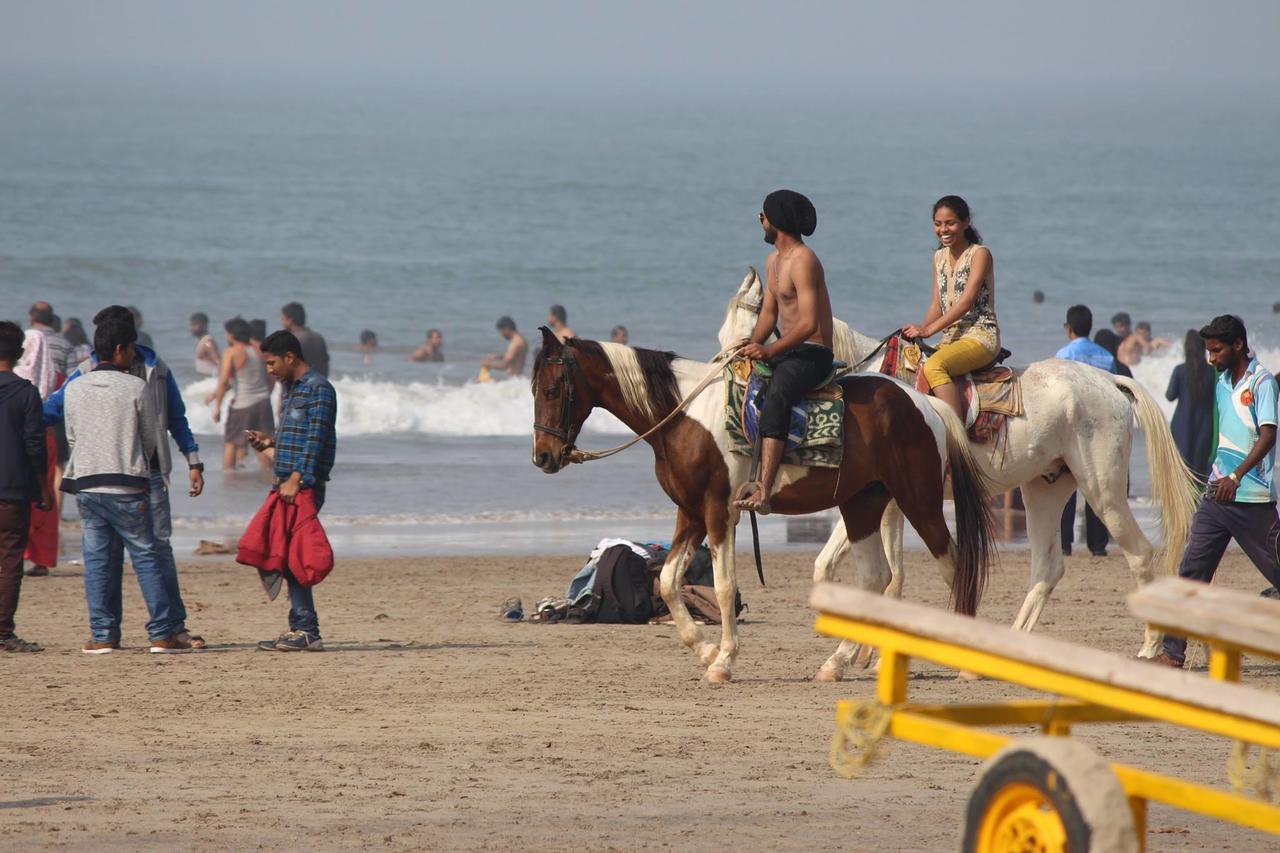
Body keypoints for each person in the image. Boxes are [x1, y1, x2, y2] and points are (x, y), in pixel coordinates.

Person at [45, 305, 206, 648]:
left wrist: (193, 460)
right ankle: (152, 632)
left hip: (141, 474)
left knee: (155, 550)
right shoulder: (85, 372)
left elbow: (175, 417)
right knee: (135, 554)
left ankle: (171, 627)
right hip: (126, 476)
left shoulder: (155, 370)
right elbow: (54, 410)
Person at [1152, 315, 1280, 668]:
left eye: (1217, 350)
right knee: (1192, 570)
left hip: (1250, 498)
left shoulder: (1262, 381)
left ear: (1238, 344)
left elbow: (1268, 435)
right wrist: (1222, 478)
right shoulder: (1224, 381)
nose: (1211, 358)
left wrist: (1236, 477)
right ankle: (1172, 653)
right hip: (1216, 494)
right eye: (1208, 351)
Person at [733, 189, 834, 515]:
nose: (760, 220)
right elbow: (768, 315)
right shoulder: (773, 260)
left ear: (774, 220)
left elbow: (807, 323)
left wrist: (770, 349)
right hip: (787, 350)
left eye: (763, 215)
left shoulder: (804, 260)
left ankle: (764, 488)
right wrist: (750, 344)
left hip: (812, 352)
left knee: (777, 394)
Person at [245, 330, 337, 652]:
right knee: (283, 553)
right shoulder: (290, 389)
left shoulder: (319, 390)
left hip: (303, 485)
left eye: (272, 363)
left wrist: (297, 477)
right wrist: (270, 443)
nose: (269, 369)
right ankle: (303, 628)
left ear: (290, 358)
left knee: (295, 555)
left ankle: (306, 630)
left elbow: (317, 438)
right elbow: (296, 436)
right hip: (285, 484)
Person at [902, 195, 1000, 421]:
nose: (943, 229)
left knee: (934, 367)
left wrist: (928, 331)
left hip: (980, 337)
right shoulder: (939, 257)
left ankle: (954, 436)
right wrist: (918, 331)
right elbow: (937, 304)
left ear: (966, 222)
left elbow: (966, 302)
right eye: (938, 224)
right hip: (950, 340)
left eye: (950, 223)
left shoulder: (979, 254)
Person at [0, 321, 52, 652]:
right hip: (12, 490)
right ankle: (3, 631)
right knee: (9, 560)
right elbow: (35, 445)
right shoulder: (26, 392)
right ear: (20, 354)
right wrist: (44, 487)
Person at [1055, 305, 1120, 557]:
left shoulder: (1063, 354)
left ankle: (1064, 543)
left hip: (1071, 430)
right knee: (1098, 486)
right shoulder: (1106, 357)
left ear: (1069, 329)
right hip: (1100, 428)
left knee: (1066, 487)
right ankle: (1097, 544)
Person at [207, 318, 274, 471]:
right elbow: (271, 377)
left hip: (243, 404)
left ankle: (229, 475)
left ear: (232, 334)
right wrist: (266, 394)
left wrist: (217, 407)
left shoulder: (231, 352)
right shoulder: (259, 350)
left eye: (227, 333)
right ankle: (267, 474)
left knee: (231, 441)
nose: (226, 336)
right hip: (263, 401)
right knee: (262, 442)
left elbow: (223, 381)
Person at [1166, 330, 1215, 481]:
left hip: (1182, 424)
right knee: (1199, 470)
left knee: (1181, 470)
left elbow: (1170, 396)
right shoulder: (1212, 371)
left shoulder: (1180, 370)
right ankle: (1200, 503)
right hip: (1205, 425)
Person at [280, 302, 330, 378]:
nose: (282, 323)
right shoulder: (318, 337)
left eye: (283, 319)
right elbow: (325, 367)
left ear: (290, 320)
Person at [190, 312, 221, 377]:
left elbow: (218, 362)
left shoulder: (208, 343)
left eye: (195, 325)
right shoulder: (203, 341)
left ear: (204, 325)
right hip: (203, 378)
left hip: (209, 380)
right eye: (192, 325)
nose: (192, 328)